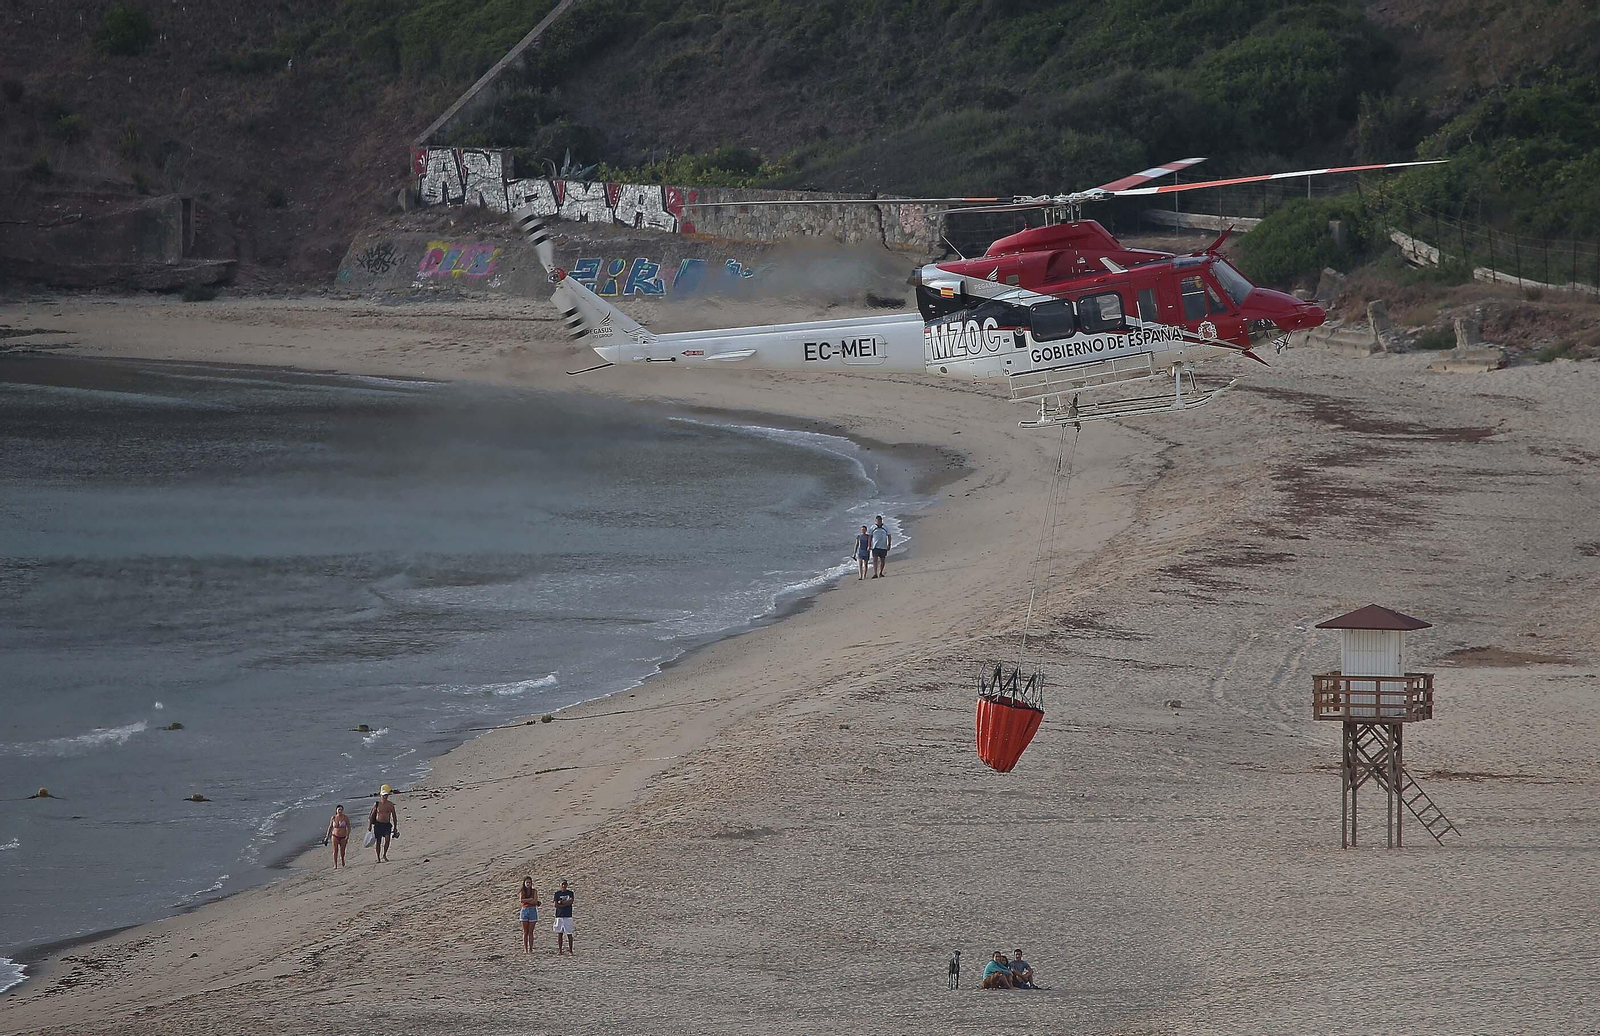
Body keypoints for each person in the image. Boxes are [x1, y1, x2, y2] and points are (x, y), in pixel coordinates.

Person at [368, 784, 399, 863]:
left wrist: (395, 827)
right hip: (378, 825)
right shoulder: (377, 804)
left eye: (386, 795)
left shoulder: (390, 805)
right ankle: (378, 858)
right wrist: (370, 826)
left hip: (387, 825)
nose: (385, 797)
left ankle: (384, 854)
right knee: (378, 841)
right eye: (384, 795)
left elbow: (394, 816)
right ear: (381, 795)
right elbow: (371, 816)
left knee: (387, 840)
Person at [552, 879, 575, 954]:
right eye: (562, 884)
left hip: (568, 915)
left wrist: (562, 903)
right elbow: (556, 904)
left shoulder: (570, 893)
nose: (564, 886)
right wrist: (564, 904)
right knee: (560, 933)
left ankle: (571, 950)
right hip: (559, 915)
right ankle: (560, 950)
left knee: (569, 933)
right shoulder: (557, 894)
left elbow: (571, 901)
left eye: (565, 884)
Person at [518, 877, 541, 954]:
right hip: (524, 910)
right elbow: (521, 900)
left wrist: (530, 900)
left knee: (531, 931)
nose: (528, 884)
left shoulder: (534, 891)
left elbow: (535, 901)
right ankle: (525, 949)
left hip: (532, 910)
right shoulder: (522, 891)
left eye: (529, 883)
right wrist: (530, 900)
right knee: (525, 932)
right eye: (527, 882)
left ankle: (531, 948)